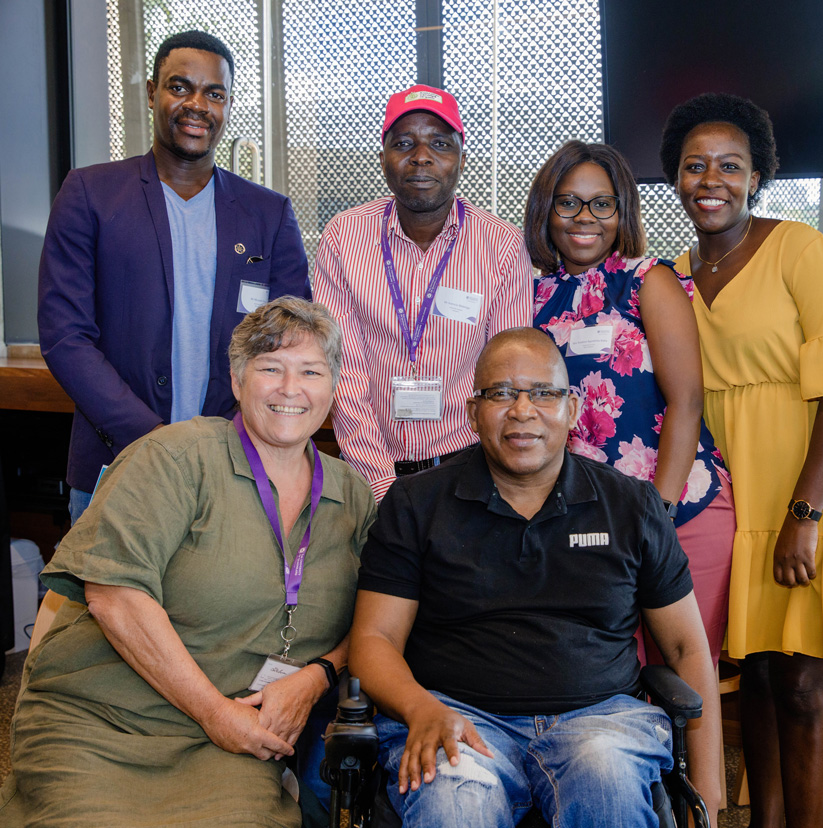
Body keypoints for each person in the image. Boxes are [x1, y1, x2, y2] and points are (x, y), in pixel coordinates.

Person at [0, 298, 376, 828]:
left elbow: (378, 619)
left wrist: (318, 675)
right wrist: (214, 712)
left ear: (334, 386)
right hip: (106, 723)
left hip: (230, 748)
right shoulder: (175, 458)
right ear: (238, 378)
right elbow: (115, 595)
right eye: (271, 368)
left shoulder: (353, 496)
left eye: (311, 371)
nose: (291, 388)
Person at [348, 327, 721, 826]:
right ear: (473, 411)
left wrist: (710, 791)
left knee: (605, 782)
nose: (522, 410)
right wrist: (419, 709)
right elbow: (373, 638)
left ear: (571, 408)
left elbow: (686, 650)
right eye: (501, 393)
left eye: (542, 393)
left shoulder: (632, 505)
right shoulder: (417, 503)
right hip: (455, 717)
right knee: (456, 804)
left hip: (602, 724)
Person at [660, 92, 823, 828]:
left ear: (758, 176)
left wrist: (806, 512)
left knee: (805, 684)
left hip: (814, 491)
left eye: (731, 166)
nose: (712, 180)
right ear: (674, 178)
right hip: (738, 502)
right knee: (761, 677)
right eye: (694, 165)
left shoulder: (804, 250)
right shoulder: (673, 273)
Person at [38, 30, 311, 524]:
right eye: (180, 87)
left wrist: (224, 441)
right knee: (107, 603)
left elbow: (288, 344)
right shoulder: (90, 194)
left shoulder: (268, 214)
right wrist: (154, 439)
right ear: (151, 93)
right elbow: (65, 337)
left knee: (223, 603)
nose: (197, 105)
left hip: (234, 468)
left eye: (214, 93)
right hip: (116, 462)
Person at [526, 141, 733, 668]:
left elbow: (687, 401)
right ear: (546, 209)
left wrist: (657, 519)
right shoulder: (528, 294)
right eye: (568, 202)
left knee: (684, 684)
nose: (585, 218)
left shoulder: (649, 281)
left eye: (603, 203)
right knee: (614, 683)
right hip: (585, 522)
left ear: (622, 212)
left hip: (676, 510)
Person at [314, 84, 533, 501]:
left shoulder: (502, 245)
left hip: (471, 470)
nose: (420, 156)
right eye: (403, 143)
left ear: (462, 160)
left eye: (439, 143)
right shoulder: (343, 237)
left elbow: (507, 374)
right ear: (383, 159)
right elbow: (343, 369)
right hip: (366, 471)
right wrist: (381, 487)